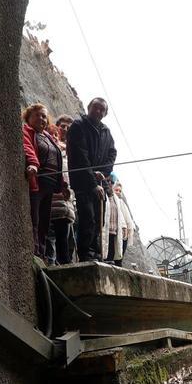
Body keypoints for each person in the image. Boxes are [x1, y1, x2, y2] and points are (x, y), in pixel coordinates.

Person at [67, 98, 117, 262]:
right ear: (89, 108)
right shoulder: (78, 126)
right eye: (96, 107)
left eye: (102, 110)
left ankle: (96, 253)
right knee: (87, 216)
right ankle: (86, 254)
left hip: (99, 182)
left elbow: (112, 153)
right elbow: (80, 156)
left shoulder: (106, 131)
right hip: (83, 181)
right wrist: (92, 179)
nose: (98, 111)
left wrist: (102, 173)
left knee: (99, 219)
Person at [21, 103, 64, 260]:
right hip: (37, 181)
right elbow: (27, 149)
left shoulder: (49, 137)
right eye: (37, 115)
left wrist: (63, 185)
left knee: (45, 221)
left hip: (50, 185)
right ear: (28, 117)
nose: (41, 118)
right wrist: (33, 164)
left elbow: (58, 160)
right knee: (35, 218)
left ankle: (42, 252)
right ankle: (35, 252)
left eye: (44, 116)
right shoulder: (26, 131)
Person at [48, 117, 76, 265]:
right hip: (54, 193)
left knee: (65, 237)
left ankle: (62, 263)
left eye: (68, 127)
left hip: (68, 199)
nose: (65, 129)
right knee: (51, 234)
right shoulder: (52, 147)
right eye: (62, 126)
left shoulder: (72, 150)